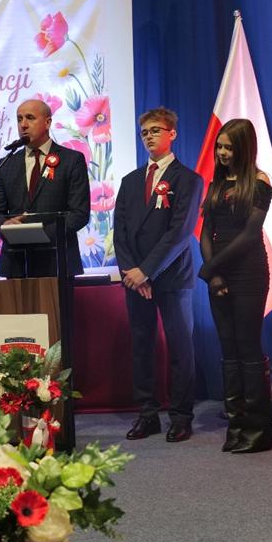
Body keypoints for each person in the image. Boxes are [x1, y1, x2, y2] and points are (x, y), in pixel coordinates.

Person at [114, 107, 203, 442]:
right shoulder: (130, 181)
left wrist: (147, 271)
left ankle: (181, 416)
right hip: (135, 280)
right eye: (144, 133)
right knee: (142, 346)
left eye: (155, 130)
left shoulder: (188, 179)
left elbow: (179, 232)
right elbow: (120, 232)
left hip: (171, 277)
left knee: (180, 348)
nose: (149, 137)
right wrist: (132, 273)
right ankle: (147, 414)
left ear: (171, 134)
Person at [199, 118, 272, 453]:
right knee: (228, 348)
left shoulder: (259, 181)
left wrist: (211, 268)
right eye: (219, 146)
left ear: (243, 148)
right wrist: (214, 276)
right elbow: (206, 233)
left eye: (229, 147)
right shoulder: (216, 184)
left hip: (249, 273)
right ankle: (236, 424)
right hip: (220, 274)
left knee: (247, 346)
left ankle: (257, 430)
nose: (222, 152)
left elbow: (249, 235)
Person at [0, 99, 90, 277]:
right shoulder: (7, 163)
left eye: (30, 118)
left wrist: (38, 234)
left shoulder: (72, 160)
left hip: (57, 261)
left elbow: (79, 214)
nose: (23, 125)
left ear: (47, 122)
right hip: (16, 263)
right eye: (19, 119)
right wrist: (4, 225)